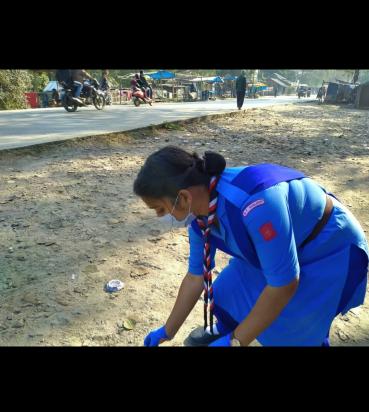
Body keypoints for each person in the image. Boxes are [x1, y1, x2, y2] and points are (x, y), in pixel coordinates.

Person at [133, 147, 368, 347]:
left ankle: (235, 335)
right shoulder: (199, 219)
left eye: (161, 209)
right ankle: (226, 330)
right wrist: (167, 331)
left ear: (183, 197)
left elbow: (284, 284)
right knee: (228, 291)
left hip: (329, 248)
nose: (161, 217)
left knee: (298, 328)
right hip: (281, 247)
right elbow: (195, 277)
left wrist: (235, 341)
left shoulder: (256, 205)